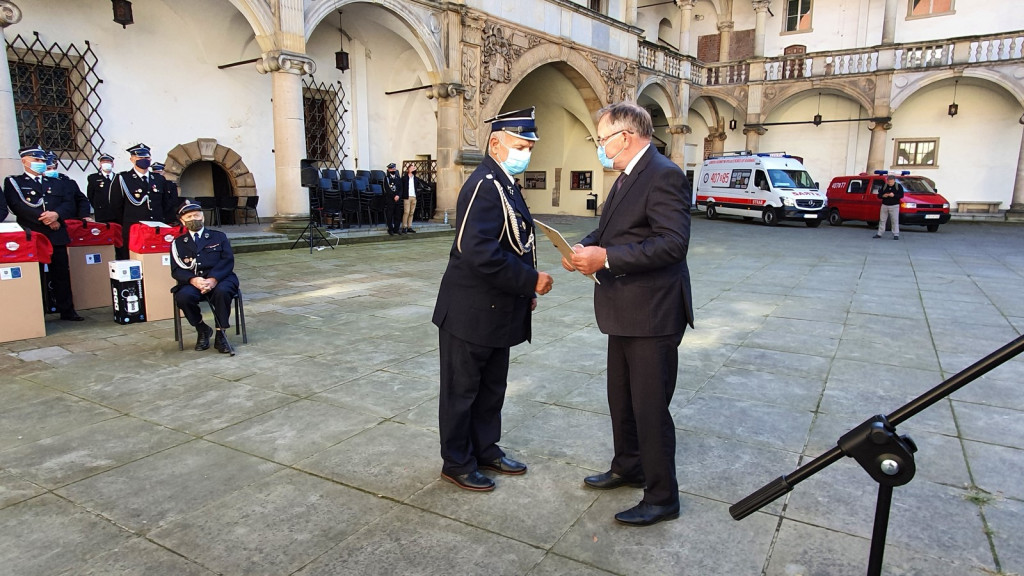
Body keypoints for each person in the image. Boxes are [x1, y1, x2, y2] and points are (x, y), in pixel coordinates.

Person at [562, 101, 693, 527]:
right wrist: (584, 247)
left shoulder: (664, 174)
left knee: (650, 408)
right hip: (624, 308)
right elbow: (611, 231)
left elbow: (673, 243)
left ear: (626, 136)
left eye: (603, 139)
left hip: (653, 313)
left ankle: (662, 496)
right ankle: (629, 465)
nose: (600, 146)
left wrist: (606, 258)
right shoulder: (626, 176)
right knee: (621, 399)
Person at [431, 106, 554, 492]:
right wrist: (530, 280)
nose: (526, 154)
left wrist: (524, 291)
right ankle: (457, 461)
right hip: (470, 312)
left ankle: (485, 449)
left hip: (497, 310)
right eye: (520, 146)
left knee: (490, 389)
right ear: (496, 144)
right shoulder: (485, 184)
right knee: (462, 392)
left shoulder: (505, 183)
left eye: (530, 148)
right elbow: (478, 250)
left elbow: (517, 241)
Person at [2, 145, 84, 321]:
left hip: (57, 233)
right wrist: (46, 219)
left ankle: (67, 310)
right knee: (35, 275)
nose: (41, 163)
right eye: (36, 159)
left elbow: (69, 203)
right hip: (33, 235)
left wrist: (56, 215)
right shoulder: (15, 182)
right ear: (24, 161)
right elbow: (17, 206)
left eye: (42, 160)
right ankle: (38, 312)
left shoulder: (57, 182)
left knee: (61, 274)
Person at [170, 201, 239, 354]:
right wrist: (193, 280)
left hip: (221, 278)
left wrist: (213, 279)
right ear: (182, 221)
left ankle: (221, 333)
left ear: (203, 217)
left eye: (196, 215)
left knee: (223, 292)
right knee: (183, 297)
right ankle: (202, 329)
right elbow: (176, 270)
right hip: (193, 281)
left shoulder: (218, 237)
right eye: (189, 217)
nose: (193, 219)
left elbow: (227, 261)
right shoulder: (178, 243)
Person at [109, 143, 172, 259]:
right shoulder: (123, 178)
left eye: (147, 157)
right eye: (140, 157)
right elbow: (115, 205)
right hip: (134, 228)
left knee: (156, 258)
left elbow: (165, 203)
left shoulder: (158, 179)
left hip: (156, 227)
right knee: (132, 259)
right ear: (132, 159)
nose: (144, 160)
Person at [44, 151, 92, 220]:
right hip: (50, 219)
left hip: (70, 220)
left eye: (54, 168)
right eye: (48, 169)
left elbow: (81, 200)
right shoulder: (37, 182)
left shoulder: (67, 181)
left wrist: (84, 215)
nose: (52, 171)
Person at [87, 153, 117, 223]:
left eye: (108, 162)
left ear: (112, 164)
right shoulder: (93, 178)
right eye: (103, 162)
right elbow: (90, 195)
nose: (106, 163)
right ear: (100, 164)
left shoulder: (118, 177)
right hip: (101, 212)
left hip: (116, 212)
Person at [874, 174, 903, 240]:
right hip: (885, 205)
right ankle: (879, 233)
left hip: (894, 205)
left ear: (894, 181)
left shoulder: (898, 186)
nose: (890, 183)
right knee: (882, 220)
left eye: (891, 182)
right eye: (889, 182)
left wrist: (894, 195)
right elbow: (879, 195)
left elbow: (901, 195)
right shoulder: (884, 186)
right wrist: (883, 195)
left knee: (894, 220)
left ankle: (896, 234)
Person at [400, 163, 426, 234]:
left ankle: (409, 226)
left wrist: (417, 194)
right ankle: (404, 227)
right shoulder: (404, 178)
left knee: (411, 212)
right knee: (406, 212)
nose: (413, 169)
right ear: (408, 169)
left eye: (414, 168)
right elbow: (401, 187)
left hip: (414, 197)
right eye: (412, 168)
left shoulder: (416, 179)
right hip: (407, 197)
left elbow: (419, 187)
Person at [383, 162, 403, 235]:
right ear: (389, 170)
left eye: (394, 169)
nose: (393, 170)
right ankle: (390, 229)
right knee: (390, 215)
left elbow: (401, 188)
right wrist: (394, 196)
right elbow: (387, 189)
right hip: (390, 199)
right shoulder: (386, 178)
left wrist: (398, 196)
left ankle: (396, 229)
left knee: (398, 215)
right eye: (391, 169)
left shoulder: (398, 178)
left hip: (398, 199)